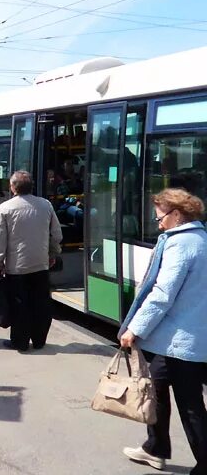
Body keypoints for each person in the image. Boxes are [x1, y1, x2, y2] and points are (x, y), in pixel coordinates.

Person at [118, 188, 207, 474]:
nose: (158, 223)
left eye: (161, 217)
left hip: (181, 341)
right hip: (173, 339)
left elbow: (162, 293)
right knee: (154, 389)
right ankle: (155, 448)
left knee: (190, 405)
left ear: (177, 214)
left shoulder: (180, 244)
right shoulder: (201, 238)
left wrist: (134, 328)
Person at [0, 170, 62, 352]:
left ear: (12, 187)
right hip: (40, 265)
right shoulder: (46, 205)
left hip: (16, 268)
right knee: (40, 304)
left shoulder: (4, 209)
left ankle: (20, 342)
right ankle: (39, 340)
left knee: (20, 306)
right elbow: (57, 234)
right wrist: (52, 254)